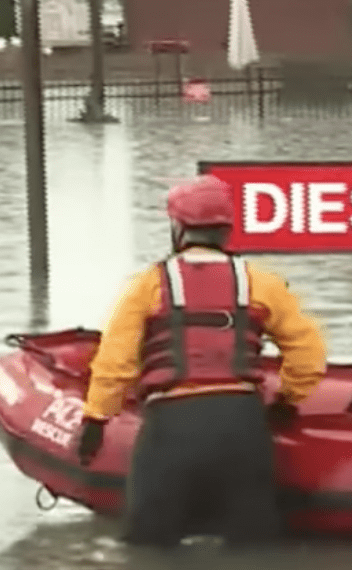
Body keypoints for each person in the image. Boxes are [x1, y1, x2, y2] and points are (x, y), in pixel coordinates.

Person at [74, 175, 328, 548]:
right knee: (252, 549)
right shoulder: (262, 284)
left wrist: (96, 418)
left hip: (171, 426)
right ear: (226, 230)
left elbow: (116, 361)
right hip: (241, 425)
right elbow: (308, 354)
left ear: (177, 228)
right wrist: (289, 400)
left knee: (150, 547)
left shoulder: (147, 286)